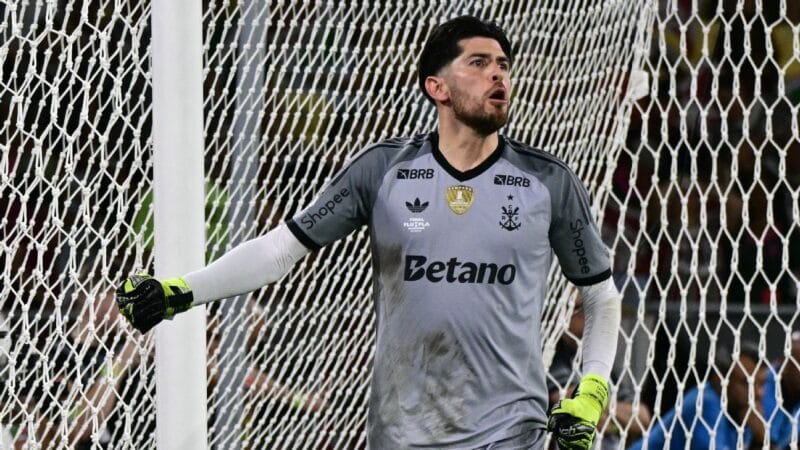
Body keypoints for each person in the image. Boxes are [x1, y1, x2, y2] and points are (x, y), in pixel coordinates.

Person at [115, 15, 621, 449]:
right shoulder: (383, 172)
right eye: (479, 63)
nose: (498, 75)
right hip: (404, 431)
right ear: (436, 87)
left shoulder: (547, 181)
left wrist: (591, 392)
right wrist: (181, 291)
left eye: (504, 65)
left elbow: (600, 295)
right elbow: (279, 250)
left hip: (512, 432)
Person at [547, 295, 651, 449]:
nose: (590, 313)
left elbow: (642, 417)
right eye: (580, 308)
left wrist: (606, 419)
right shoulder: (552, 356)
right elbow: (571, 402)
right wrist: (618, 421)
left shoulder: (599, 359)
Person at [629, 341, 768, 450]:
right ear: (720, 380)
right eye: (746, 383)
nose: (758, 393)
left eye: (761, 384)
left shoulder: (744, 413)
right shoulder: (705, 404)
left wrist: (760, 440)